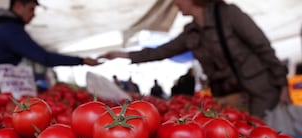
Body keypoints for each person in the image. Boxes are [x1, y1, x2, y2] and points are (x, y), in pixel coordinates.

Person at [99, 0, 291, 118]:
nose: (175, 3)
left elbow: (263, 48)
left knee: (267, 136)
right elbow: (161, 51)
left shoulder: (229, 14)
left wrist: (282, 84)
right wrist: (122, 55)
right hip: (228, 97)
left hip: (259, 91)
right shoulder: (191, 32)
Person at [0, 0, 99, 101]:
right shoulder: (11, 30)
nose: (34, 15)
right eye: (31, 9)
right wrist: (81, 60)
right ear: (18, 5)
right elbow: (44, 58)